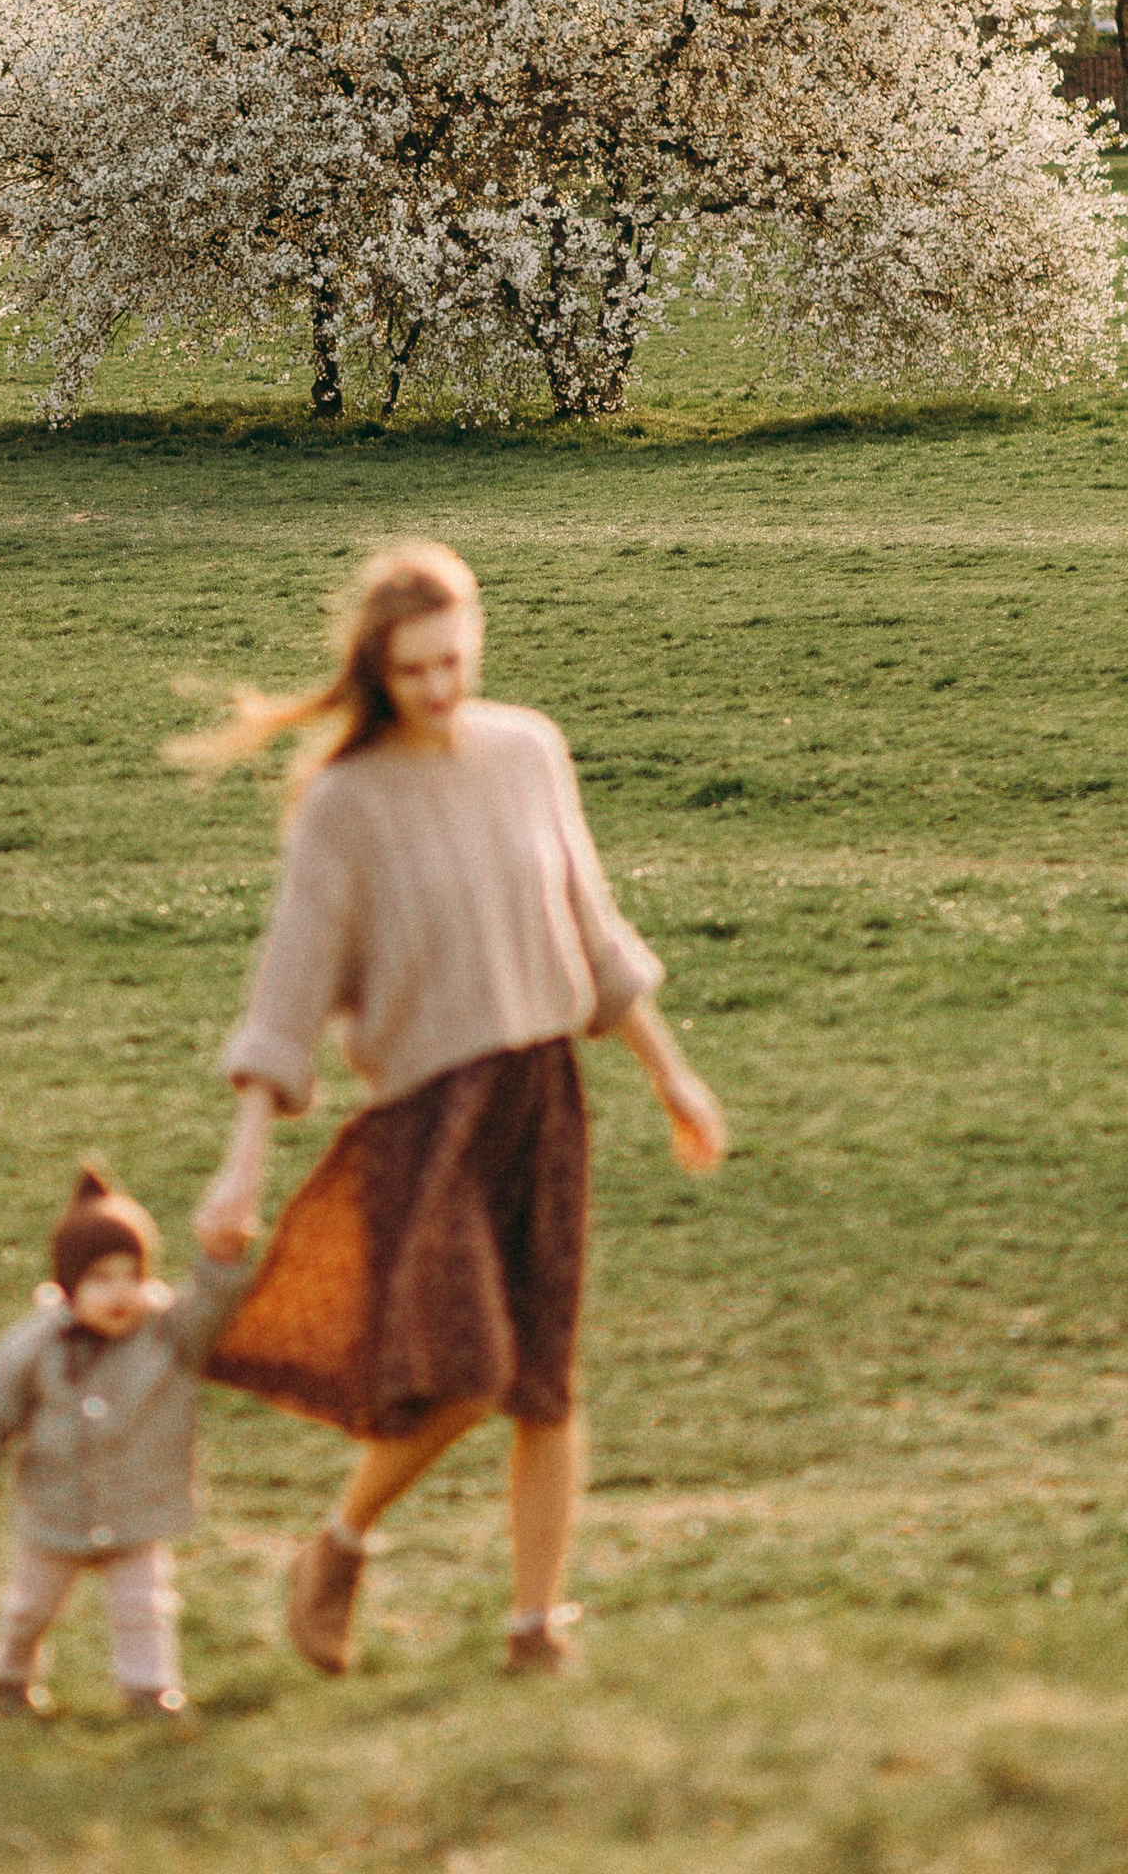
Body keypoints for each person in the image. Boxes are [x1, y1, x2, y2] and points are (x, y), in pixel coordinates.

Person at [184, 540, 725, 1680]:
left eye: (454, 660)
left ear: (477, 637)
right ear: (378, 670)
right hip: (428, 1118)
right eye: (416, 669)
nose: (440, 686)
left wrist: (672, 1075)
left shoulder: (528, 751)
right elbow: (287, 990)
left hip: (542, 1094)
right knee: (470, 1368)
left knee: (545, 1378)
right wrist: (240, 1163)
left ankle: (536, 1627)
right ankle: (338, 1542)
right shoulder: (345, 803)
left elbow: (593, 927)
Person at [0, 1162, 253, 1719]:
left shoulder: (168, 1332)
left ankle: (150, 1691)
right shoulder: (40, 1342)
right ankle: (10, 1679)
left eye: (130, 1274)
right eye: (100, 1278)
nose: (120, 1292)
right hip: (55, 1505)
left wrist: (223, 1260)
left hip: (137, 1503)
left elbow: (213, 1306)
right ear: (68, 1286)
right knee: (30, 1607)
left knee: (144, 1605)